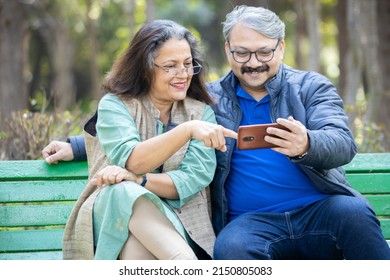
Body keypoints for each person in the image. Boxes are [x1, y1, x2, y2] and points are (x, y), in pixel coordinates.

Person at [43, 6, 390, 260]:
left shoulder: (311, 87)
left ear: (281, 48)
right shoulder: (210, 98)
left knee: (355, 215)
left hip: (319, 208)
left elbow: (343, 142)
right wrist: (78, 146)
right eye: (242, 52)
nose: (253, 61)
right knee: (229, 248)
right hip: (250, 222)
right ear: (228, 51)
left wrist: (308, 143)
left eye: (264, 52)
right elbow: (155, 127)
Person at [58, 19, 237, 260]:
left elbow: (191, 180)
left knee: (135, 245)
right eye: (170, 66)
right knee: (122, 191)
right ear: (145, 67)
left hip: (178, 222)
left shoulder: (200, 113)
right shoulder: (116, 105)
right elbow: (132, 159)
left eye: (187, 64)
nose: (183, 74)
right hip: (113, 215)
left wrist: (138, 180)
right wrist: (186, 131)